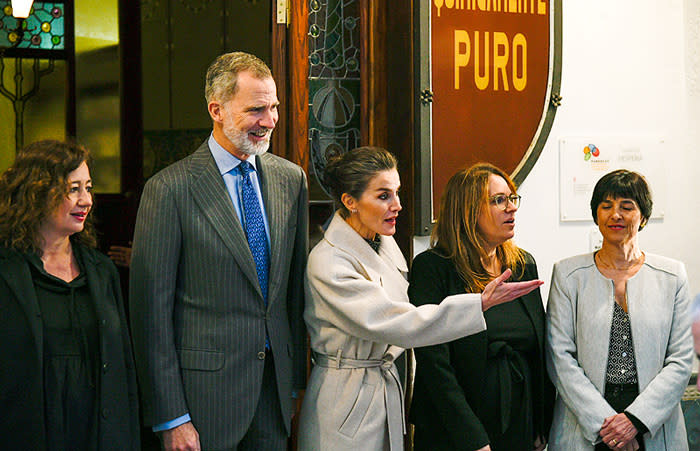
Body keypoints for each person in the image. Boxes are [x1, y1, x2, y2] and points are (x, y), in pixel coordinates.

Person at [297, 148, 544, 451]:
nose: (398, 205)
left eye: (397, 193)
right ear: (351, 202)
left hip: (387, 391)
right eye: (383, 196)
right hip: (346, 399)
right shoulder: (329, 262)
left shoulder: (383, 243)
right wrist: (478, 304)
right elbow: (400, 322)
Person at [129, 51, 308, 450]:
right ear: (217, 109)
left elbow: (293, 295)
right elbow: (150, 316)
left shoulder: (290, 180)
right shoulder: (169, 190)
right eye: (256, 109)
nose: (270, 120)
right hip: (202, 404)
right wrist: (171, 417)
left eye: (274, 107)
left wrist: (294, 383)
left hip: (272, 399)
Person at [0, 140, 140, 449]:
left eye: (88, 188)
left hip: (100, 436)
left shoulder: (102, 270)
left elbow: (125, 371)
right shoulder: (6, 271)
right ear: (36, 193)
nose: (86, 200)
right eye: (73, 188)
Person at [408, 163, 554, 451]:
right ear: (468, 210)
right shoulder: (433, 268)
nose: (511, 208)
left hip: (518, 420)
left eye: (512, 198)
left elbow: (539, 350)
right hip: (454, 430)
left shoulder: (522, 264)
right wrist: (473, 439)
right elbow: (434, 364)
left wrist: (540, 423)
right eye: (499, 200)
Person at [546, 169, 692, 451]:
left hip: (653, 424)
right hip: (585, 423)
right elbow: (559, 356)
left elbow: (681, 359)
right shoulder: (568, 274)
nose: (616, 215)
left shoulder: (672, 276)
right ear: (596, 215)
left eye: (627, 207)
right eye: (606, 206)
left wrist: (635, 420)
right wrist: (608, 425)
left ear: (644, 216)